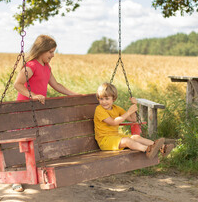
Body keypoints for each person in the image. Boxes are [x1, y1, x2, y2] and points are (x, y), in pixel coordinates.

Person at [12, 34, 78, 192]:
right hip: (24, 110)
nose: (52, 55)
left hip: (37, 111)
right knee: (22, 144)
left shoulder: (47, 68)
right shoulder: (31, 66)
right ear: (41, 50)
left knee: (36, 143)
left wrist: (74, 95)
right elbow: (17, 84)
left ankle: (33, 175)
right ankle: (16, 179)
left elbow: (56, 85)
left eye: (53, 52)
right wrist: (33, 96)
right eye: (50, 52)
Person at [94, 82, 173, 158]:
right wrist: (128, 112)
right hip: (105, 141)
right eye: (101, 99)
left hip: (115, 137)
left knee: (136, 137)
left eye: (107, 99)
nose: (104, 102)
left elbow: (133, 119)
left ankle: (162, 148)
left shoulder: (116, 109)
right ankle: (148, 150)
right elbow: (113, 122)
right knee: (128, 141)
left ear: (113, 99)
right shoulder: (99, 109)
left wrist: (134, 105)